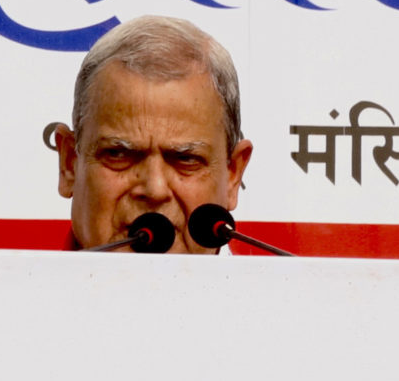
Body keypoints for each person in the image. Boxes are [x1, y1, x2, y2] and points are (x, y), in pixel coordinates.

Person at [55, 15, 253, 253]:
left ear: (233, 176)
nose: (155, 190)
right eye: (119, 155)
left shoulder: (286, 278)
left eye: (186, 159)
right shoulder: (14, 277)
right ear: (69, 164)